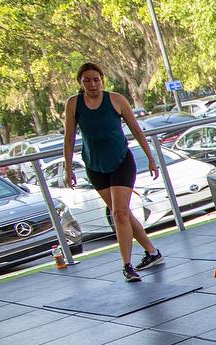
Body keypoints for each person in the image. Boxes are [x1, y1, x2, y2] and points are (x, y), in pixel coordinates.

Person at [63, 63, 162, 282]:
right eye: (87, 80)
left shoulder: (116, 99)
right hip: (95, 165)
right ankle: (153, 252)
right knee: (122, 213)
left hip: (121, 162)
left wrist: (151, 158)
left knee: (119, 214)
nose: (92, 84)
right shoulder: (73, 104)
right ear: (80, 82)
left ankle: (127, 266)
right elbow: (69, 138)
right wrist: (68, 168)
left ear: (102, 80)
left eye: (96, 79)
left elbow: (136, 129)